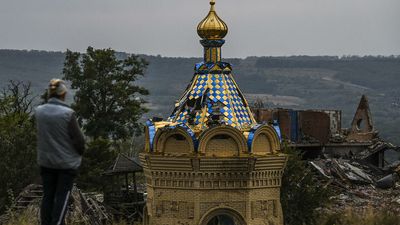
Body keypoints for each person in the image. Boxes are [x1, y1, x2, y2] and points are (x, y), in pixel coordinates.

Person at [35, 79, 85, 225]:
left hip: (45, 162)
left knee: (48, 196)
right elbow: (79, 141)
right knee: (62, 197)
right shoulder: (68, 114)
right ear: (63, 94)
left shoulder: (39, 112)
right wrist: (78, 155)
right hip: (65, 164)